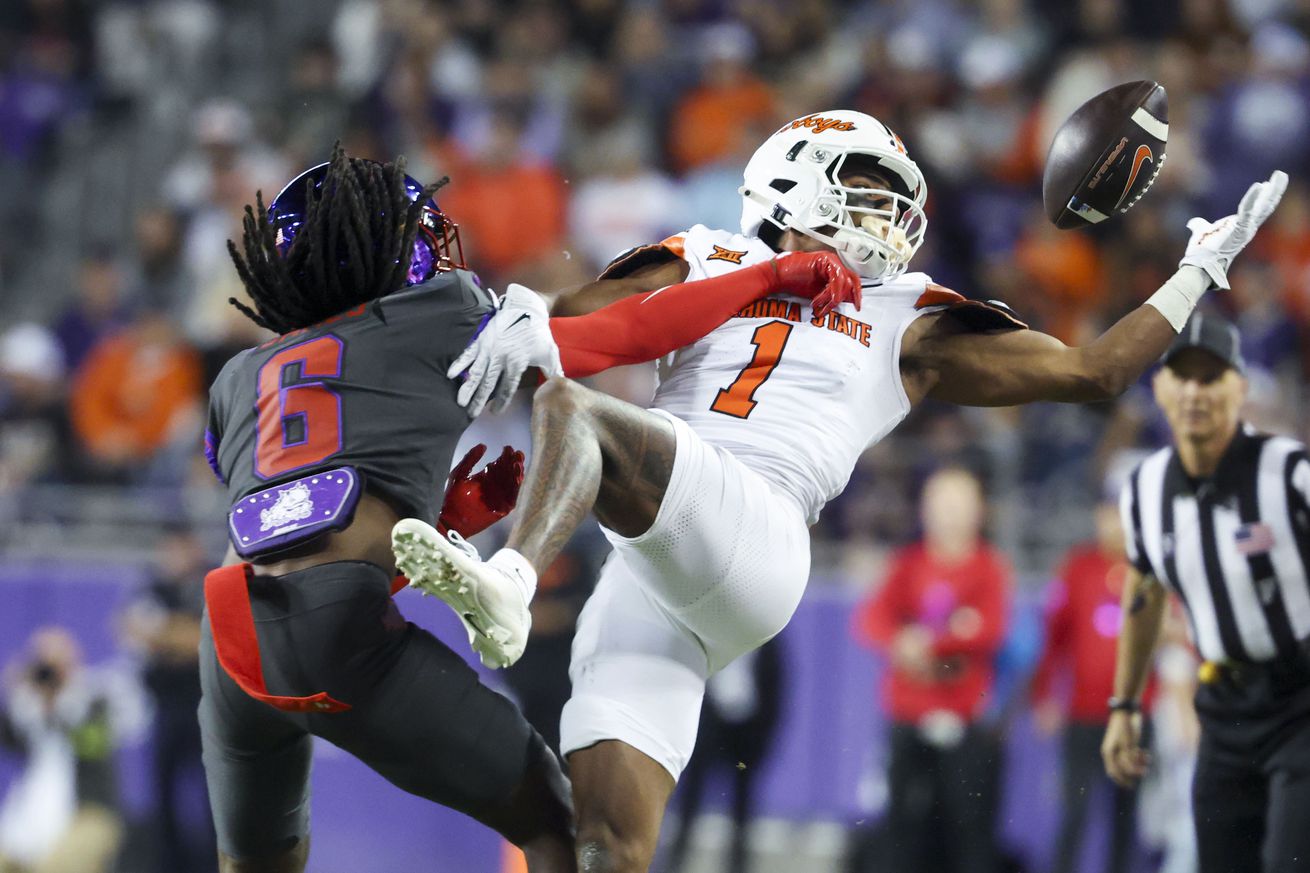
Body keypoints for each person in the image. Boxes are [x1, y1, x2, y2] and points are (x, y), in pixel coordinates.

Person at [390, 110, 1288, 873]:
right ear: (790, 184)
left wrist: (1197, 270)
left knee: (580, 414)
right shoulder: (706, 255)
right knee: (603, 846)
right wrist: (528, 316)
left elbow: (1093, 372)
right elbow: (575, 329)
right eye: (861, 183)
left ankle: (509, 576)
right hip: (651, 573)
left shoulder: (907, 313)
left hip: (761, 532)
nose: (886, 209)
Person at [202, 146, 861, 873]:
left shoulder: (239, 378)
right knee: (565, 829)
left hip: (231, 639)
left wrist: (441, 512)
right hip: (340, 627)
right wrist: (768, 275)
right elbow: (629, 333)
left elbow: (294, 529)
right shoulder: (434, 313)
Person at [1102, 313, 1310, 873]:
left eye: (1211, 377)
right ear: (1162, 388)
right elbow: (1144, 594)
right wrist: (1124, 705)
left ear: (1239, 387)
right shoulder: (1145, 490)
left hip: (1301, 699)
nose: (1195, 391)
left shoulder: (1289, 473)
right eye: (1183, 377)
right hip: (1223, 706)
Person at [853, 466, 1010, 873]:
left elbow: (990, 629)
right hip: (908, 715)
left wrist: (928, 643)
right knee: (902, 828)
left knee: (968, 830)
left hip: (965, 719)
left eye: (960, 504)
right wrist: (904, 641)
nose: (950, 514)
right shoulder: (908, 564)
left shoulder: (989, 569)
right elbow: (871, 621)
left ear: (979, 511)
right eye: (942, 503)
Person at [1031, 495, 1143, 873]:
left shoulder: (1149, 569)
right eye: (1110, 515)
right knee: (1074, 809)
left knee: (1126, 814)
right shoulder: (1078, 567)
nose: (1116, 525)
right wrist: (1045, 695)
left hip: (1133, 717)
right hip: (1083, 714)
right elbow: (1054, 637)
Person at [0, 629, 125, 873]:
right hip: (32, 814)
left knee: (53, 867)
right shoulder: (28, 707)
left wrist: (62, 697)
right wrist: (14, 691)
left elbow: (93, 746)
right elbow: (7, 739)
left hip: (89, 812)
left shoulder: (93, 700)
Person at [662, 636, 784, 873]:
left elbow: (775, 692)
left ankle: (738, 865)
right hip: (709, 728)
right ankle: (676, 861)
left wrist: (763, 737)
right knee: (691, 799)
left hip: (745, 733)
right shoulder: (709, 640)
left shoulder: (768, 644)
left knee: (742, 804)